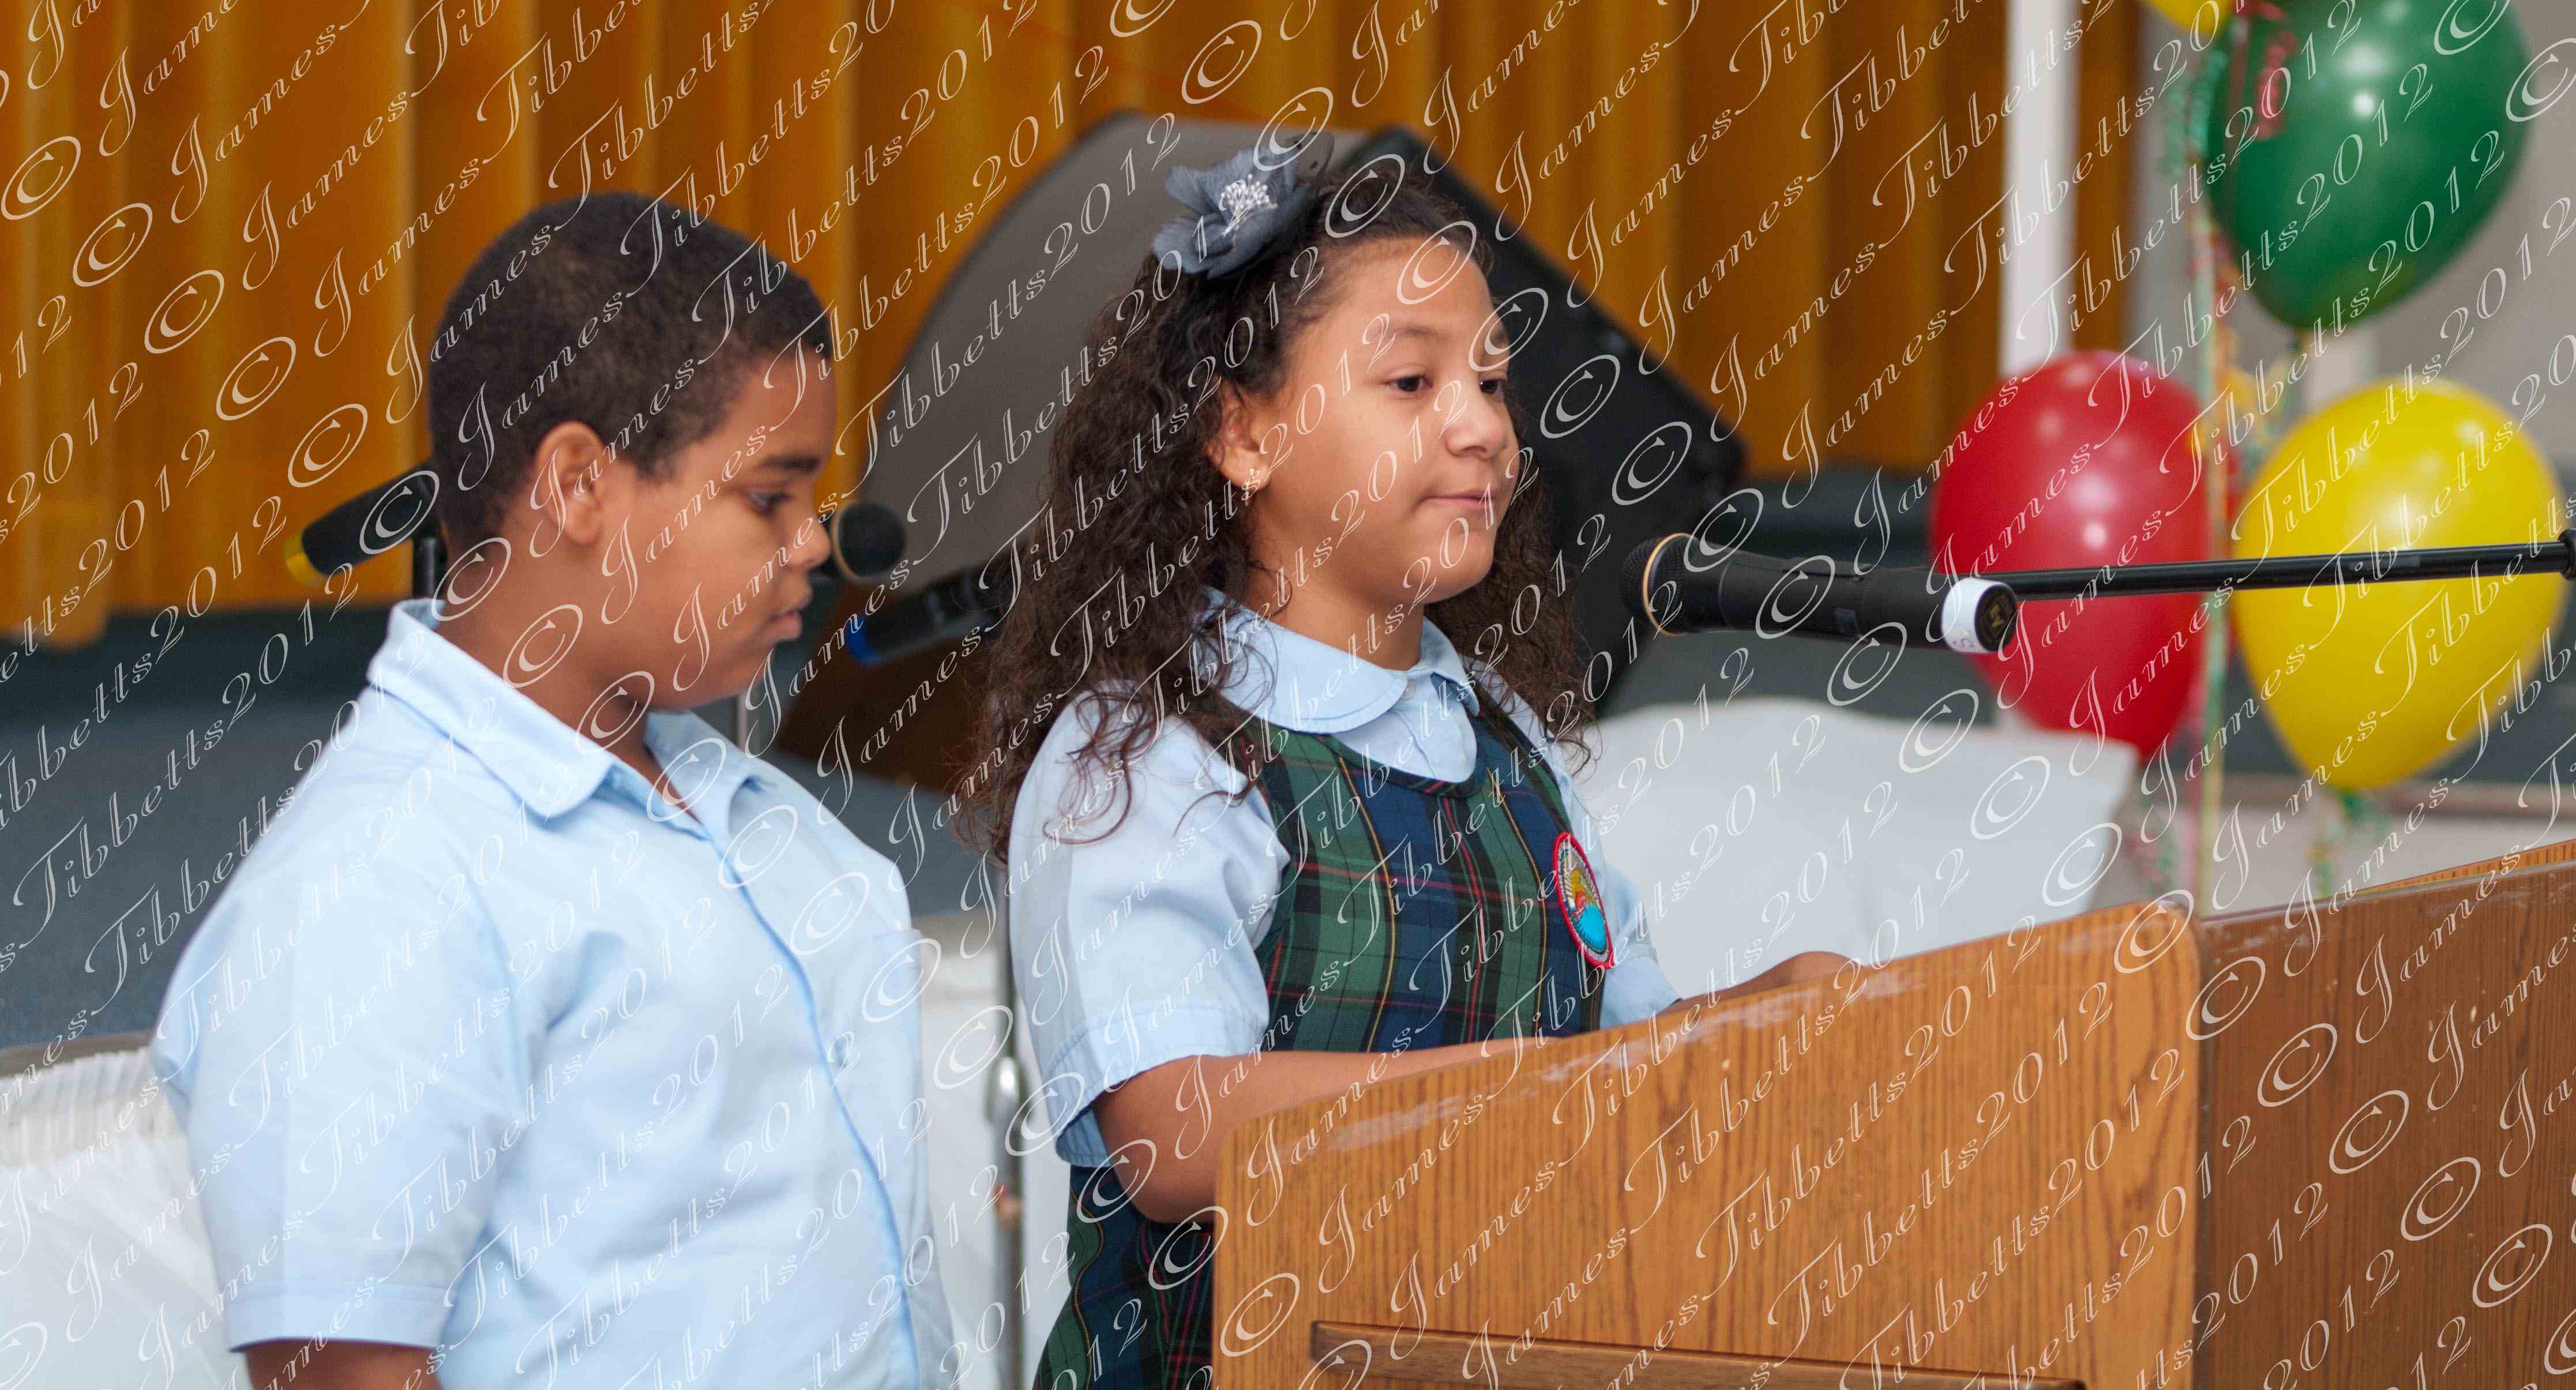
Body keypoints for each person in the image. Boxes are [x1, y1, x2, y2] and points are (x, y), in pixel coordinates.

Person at [963, 146, 1844, 1390]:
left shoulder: (1501, 734)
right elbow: (1171, 1130)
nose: (1482, 425)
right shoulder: (1152, 747)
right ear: (1242, 432)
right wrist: (1521, 1093)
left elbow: (1623, 1052)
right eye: (1412, 380)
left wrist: (1766, 1015)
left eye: (1491, 380)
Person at [152, 193, 956, 1390]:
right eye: (768, 496)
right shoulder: (376, 880)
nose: (810, 544)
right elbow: (343, 1370)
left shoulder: (736, 796)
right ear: (579, 484)